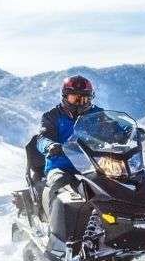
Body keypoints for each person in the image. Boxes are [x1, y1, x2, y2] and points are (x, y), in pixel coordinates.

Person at [35, 75, 98, 246]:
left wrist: (131, 132)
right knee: (59, 189)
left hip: (92, 165)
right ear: (65, 96)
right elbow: (42, 138)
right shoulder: (52, 116)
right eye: (75, 98)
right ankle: (54, 233)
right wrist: (50, 145)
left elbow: (115, 128)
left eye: (84, 98)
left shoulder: (97, 114)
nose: (80, 102)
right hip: (62, 166)